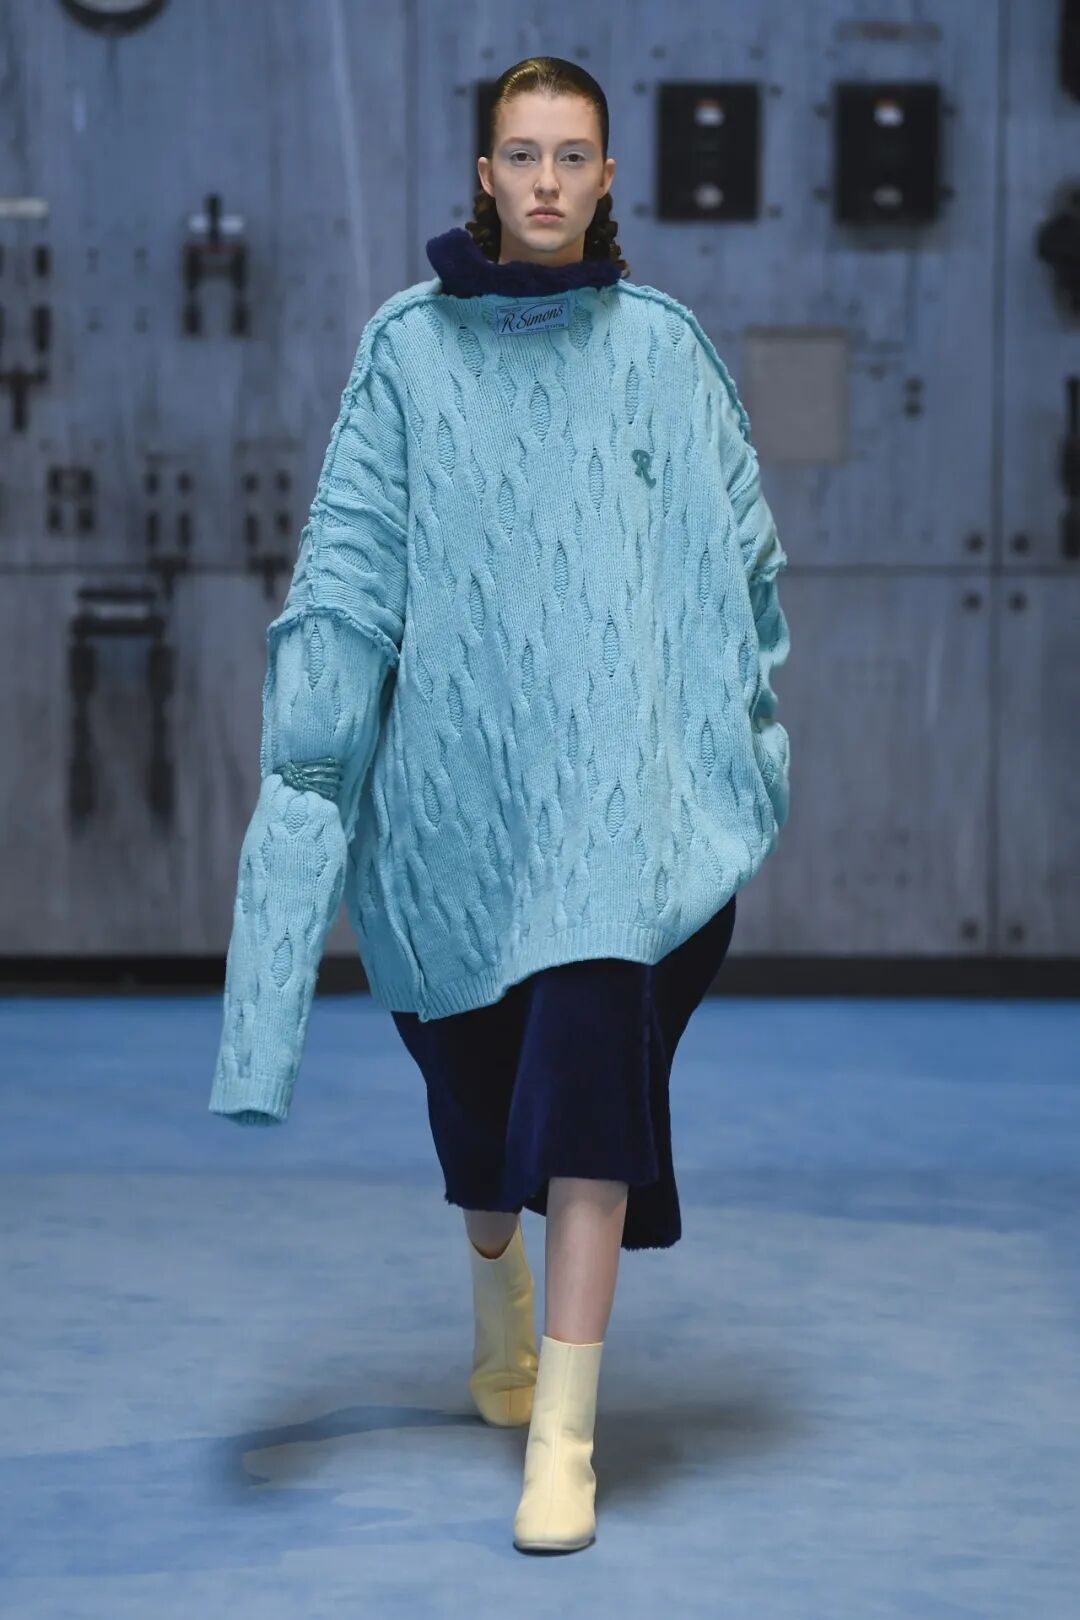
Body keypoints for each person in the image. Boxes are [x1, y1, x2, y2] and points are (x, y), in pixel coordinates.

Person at [208, 56, 790, 1556]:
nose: (544, 180)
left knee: (588, 1080)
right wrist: (314, 781)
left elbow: (736, 567)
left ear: (607, 178)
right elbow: (349, 573)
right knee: (479, 1118)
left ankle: (565, 1442)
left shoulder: (662, 351)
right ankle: (498, 1298)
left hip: (615, 817)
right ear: (485, 173)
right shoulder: (406, 352)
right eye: (521, 155)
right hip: (454, 807)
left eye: (571, 155)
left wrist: (714, 746)